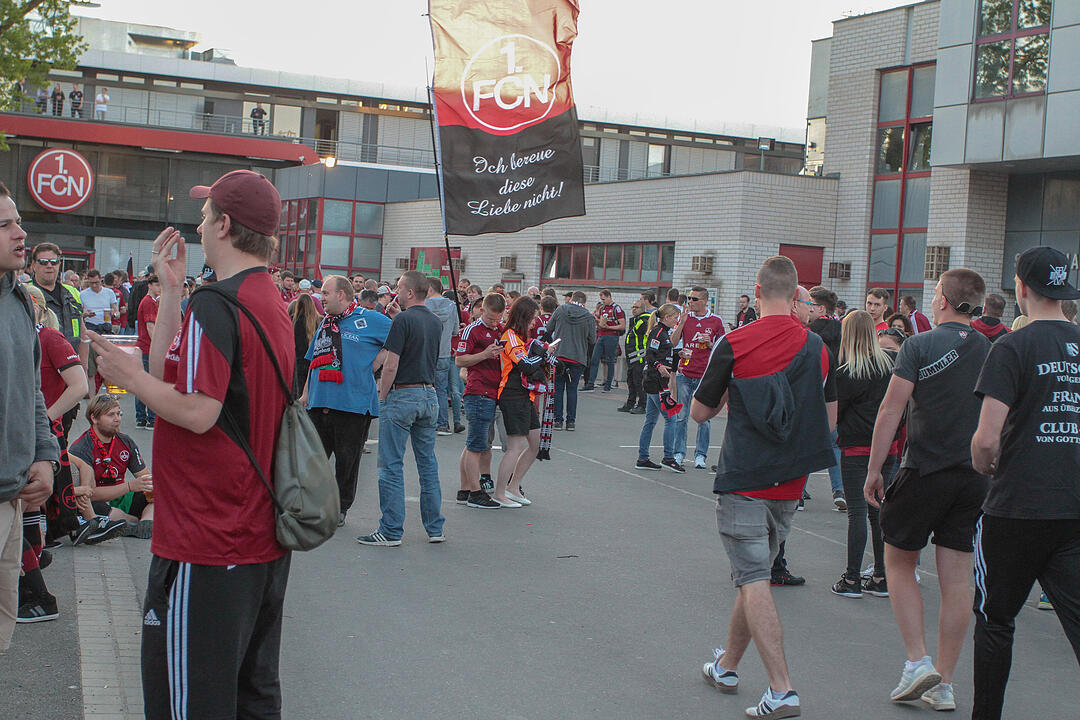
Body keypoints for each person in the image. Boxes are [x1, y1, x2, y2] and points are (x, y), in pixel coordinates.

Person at [89, 169, 296, 718]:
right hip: (254, 534)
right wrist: (174, 291)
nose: (199, 224)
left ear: (225, 225)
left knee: (189, 702)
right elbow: (175, 382)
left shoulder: (220, 305)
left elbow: (197, 412)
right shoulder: (265, 299)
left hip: (207, 538)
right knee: (250, 696)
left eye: (206, 215)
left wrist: (124, 375)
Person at [694, 256, 836, 720]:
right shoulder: (816, 345)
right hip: (791, 478)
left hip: (745, 474)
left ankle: (782, 689)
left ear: (757, 290)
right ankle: (728, 666)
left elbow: (699, 412)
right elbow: (828, 417)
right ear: (797, 294)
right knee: (750, 574)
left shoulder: (733, 342)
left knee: (754, 578)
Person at [864, 268, 991, 712]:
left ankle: (918, 661)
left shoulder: (919, 344)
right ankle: (946, 683)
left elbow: (891, 408)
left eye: (935, 291)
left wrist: (875, 468)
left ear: (943, 301)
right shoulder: (989, 349)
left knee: (897, 559)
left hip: (925, 469)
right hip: (974, 477)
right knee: (958, 579)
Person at [970, 246, 1080, 720]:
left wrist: (987, 465)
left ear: (1022, 289)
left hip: (1016, 507)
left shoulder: (1011, 347)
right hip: (1073, 506)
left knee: (996, 621)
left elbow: (986, 440)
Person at [1, 180, 61, 644]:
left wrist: (44, 454)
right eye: (5, 225)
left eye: (18, 220)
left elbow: (32, 391)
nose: (21, 233)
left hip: (13, 501)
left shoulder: (19, 299)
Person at [358, 270, 445, 547]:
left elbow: (391, 364)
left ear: (409, 292)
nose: (395, 292)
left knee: (391, 465)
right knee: (427, 463)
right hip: (428, 394)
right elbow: (419, 344)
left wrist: (382, 397)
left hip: (403, 394)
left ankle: (391, 529)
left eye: (399, 287)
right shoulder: (433, 321)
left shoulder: (403, 321)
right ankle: (435, 527)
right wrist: (399, 317)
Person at [302, 275, 390, 527]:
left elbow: (399, 339)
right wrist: (306, 394)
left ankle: (340, 507)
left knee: (346, 462)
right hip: (319, 403)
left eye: (326, 293)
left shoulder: (371, 319)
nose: (321, 297)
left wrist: (377, 362)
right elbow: (312, 361)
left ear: (341, 294)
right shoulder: (326, 323)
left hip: (352, 404)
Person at [830, 310, 897, 600]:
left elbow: (837, 413)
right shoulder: (890, 366)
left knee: (858, 511)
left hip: (857, 447)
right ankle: (881, 575)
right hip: (888, 447)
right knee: (878, 511)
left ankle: (852, 577)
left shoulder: (846, 372)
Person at [69, 394, 155, 542]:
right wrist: (129, 486)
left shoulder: (125, 441)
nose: (117, 419)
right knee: (98, 508)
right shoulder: (81, 448)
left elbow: (144, 476)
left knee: (157, 498)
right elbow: (90, 493)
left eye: (118, 413)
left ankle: (143, 523)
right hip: (99, 502)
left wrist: (152, 487)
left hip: (121, 498)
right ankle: (135, 522)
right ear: (94, 419)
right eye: (110, 415)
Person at [494, 296, 548, 507]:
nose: (535, 323)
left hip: (525, 395)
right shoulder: (510, 336)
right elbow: (525, 364)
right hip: (512, 394)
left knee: (535, 444)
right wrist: (543, 355)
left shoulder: (520, 337)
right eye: (533, 318)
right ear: (524, 317)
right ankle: (500, 493)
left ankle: (513, 487)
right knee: (515, 447)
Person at [454, 293, 506, 510]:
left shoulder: (500, 330)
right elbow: (459, 360)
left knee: (474, 444)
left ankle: (466, 488)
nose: (495, 322)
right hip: (478, 391)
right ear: (482, 310)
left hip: (492, 391)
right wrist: (484, 354)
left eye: (498, 318)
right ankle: (476, 492)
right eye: (492, 318)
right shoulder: (472, 330)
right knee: (476, 446)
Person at [671, 286, 726, 469]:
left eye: (694, 299)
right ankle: (679, 453)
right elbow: (673, 342)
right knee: (681, 416)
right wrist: (682, 322)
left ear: (704, 301)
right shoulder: (685, 318)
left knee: (704, 419)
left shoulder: (716, 320)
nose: (690, 302)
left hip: (705, 375)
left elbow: (722, 348)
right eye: (689, 298)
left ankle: (701, 455)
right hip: (685, 373)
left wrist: (710, 343)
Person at [809, 285, 845, 510]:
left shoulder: (810, 333)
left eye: (810, 304)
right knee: (834, 444)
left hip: (813, 391)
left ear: (821, 308)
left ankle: (799, 491)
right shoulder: (842, 331)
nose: (807, 309)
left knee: (804, 443)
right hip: (836, 393)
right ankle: (839, 489)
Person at [635, 304, 681, 472]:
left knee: (651, 420)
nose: (676, 321)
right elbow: (650, 354)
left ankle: (643, 457)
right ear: (667, 317)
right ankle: (668, 457)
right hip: (656, 382)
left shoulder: (665, 334)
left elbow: (663, 353)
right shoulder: (658, 332)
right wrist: (659, 365)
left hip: (659, 380)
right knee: (671, 419)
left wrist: (678, 355)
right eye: (675, 317)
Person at [28, 242, 86, 365]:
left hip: (71, 361)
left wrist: (84, 368)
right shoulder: (26, 291)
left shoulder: (72, 292)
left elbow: (82, 330)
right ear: (33, 265)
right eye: (43, 262)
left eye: (53, 262)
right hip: (39, 364)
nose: (49, 266)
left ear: (59, 265)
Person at [545, 290, 595, 431]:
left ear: (571, 299)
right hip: (578, 357)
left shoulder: (560, 310)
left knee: (558, 389)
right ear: (584, 302)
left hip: (559, 355)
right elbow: (592, 339)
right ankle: (571, 422)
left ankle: (558, 420)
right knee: (572, 390)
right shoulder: (588, 317)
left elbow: (548, 328)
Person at [425, 276, 461, 435]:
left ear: (430, 288)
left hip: (426, 353)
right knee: (441, 389)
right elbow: (455, 331)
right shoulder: (453, 306)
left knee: (424, 388)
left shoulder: (423, 305)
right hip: (444, 352)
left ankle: (425, 422)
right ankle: (443, 424)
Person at [583, 289, 625, 392]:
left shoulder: (617, 309)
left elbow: (622, 326)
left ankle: (608, 385)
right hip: (601, 335)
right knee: (594, 359)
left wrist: (609, 327)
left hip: (612, 336)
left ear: (609, 296)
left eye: (604, 299)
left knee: (610, 360)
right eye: (601, 299)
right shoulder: (602, 308)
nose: (602, 301)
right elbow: (602, 323)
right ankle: (590, 384)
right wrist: (598, 322)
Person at [134, 275, 161, 429]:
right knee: (150, 383)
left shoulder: (150, 302)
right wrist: (158, 346)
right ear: (150, 285)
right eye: (157, 285)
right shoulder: (149, 302)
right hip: (148, 347)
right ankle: (150, 418)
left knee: (143, 383)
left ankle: (142, 418)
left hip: (145, 346)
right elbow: (151, 327)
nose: (160, 288)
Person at [620, 297, 652, 414]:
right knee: (631, 381)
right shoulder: (636, 320)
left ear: (642, 309)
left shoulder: (644, 321)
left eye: (636, 307)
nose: (634, 309)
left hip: (640, 357)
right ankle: (630, 403)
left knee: (639, 382)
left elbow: (648, 338)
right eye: (633, 307)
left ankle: (642, 405)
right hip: (632, 357)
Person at [290, 293, 320, 395]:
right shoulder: (319, 320)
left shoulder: (294, 321)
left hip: (298, 361)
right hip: (315, 361)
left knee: (299, 392)